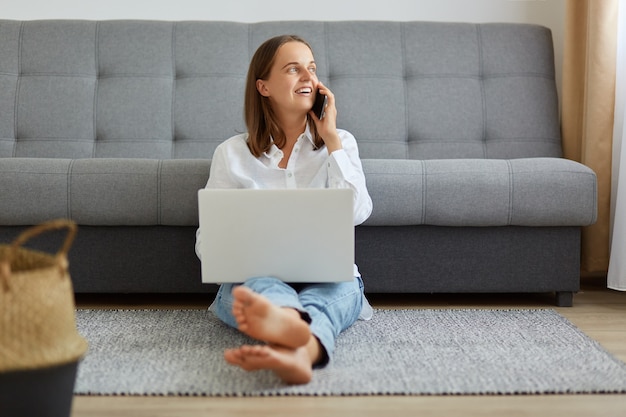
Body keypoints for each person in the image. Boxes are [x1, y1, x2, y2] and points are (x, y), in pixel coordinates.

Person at [195, 35, 373, 385]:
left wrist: (332, 139)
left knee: (336, 292)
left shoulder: (341, 143)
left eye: (311, 69)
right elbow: (207, 245)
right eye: (294, 69)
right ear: (263, 86)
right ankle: (296, 339)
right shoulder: (231, 154)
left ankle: (290, 334)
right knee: (259, 287)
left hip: (329, 277)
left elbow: (358, 211)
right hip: (257, 278)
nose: (308, 77)